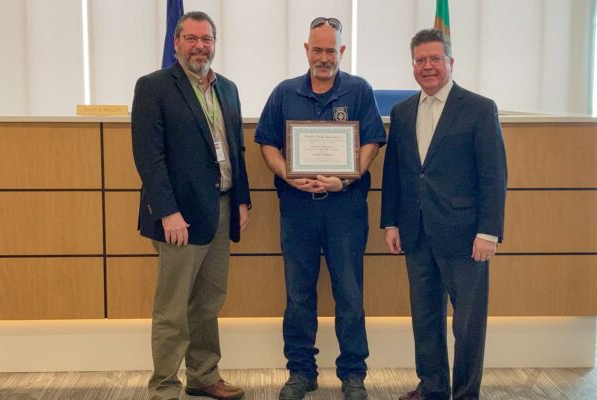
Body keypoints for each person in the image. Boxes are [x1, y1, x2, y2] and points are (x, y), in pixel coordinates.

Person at [255, 17, 386, 400]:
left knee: (349, 293)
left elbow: (371, 143)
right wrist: (287, 174)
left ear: (341, 51)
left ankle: (353, 374)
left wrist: (346, 178)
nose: (324, 57)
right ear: (306, 50)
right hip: (298, 209)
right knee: (298, 294)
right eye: (318, 49)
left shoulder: (359, 90)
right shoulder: (285, 92)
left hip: (345, 208)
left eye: (331, 50)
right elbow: (266, 143)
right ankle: (301, 371)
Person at [380, 29, 507, 400]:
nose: (428, 66)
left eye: (435, 58)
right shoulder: (402, 112)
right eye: (420, 60)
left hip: (466, 237)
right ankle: (433, 388)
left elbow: (493, 174)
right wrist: (391, 221)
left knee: (467, 325)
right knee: (426, 319)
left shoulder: (480, 108)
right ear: (413, 66)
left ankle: (466, 393)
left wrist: (489, 231)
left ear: (451, 62)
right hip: (417, 233)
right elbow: (396, 172)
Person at [131, 11, 250, 400]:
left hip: (220, 209)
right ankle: (164, 385)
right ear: (177, 42)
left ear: (214, 43)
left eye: (207, 39)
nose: (200, 46)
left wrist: (242, 200)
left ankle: (203, 375)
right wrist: (167, 211)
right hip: (178, 217)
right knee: (173, 307)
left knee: (209, 301)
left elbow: (236, 148)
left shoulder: (227, 89)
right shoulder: (154, 87)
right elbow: (149, 156)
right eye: (192, 38)